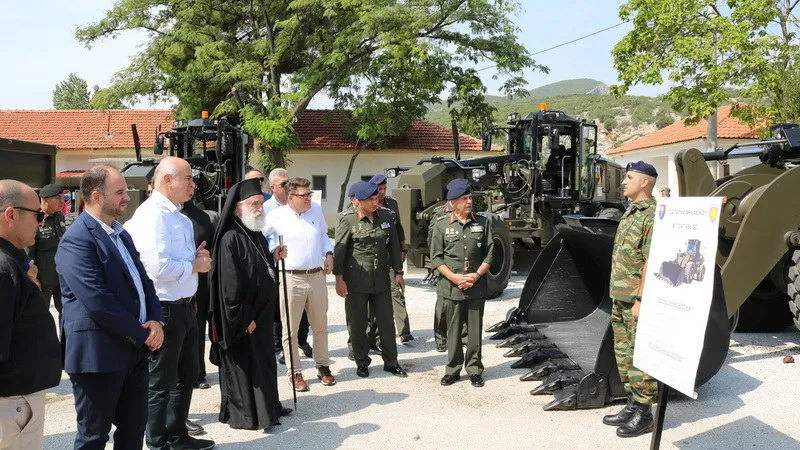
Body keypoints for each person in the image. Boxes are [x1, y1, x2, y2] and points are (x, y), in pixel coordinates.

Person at [56, 166, 164, 449]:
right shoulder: (77, 240)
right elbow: (98, 301)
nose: (127, 197)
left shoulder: (120, 233)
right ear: (96, 196)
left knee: (133, 431)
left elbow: (143, 281)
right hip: (98, 357)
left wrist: (156, 319)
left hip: (133, 353)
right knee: (93, 436)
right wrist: (143, 335)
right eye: (119, 192)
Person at [125, 157, 214, 450]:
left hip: (184, 305)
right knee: (161, 380)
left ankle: (177, 435)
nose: (193, 184)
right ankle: (157, 440)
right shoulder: (153, 215)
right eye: (186, 178)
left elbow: (181, 259)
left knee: (185, 375)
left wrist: (194, 259)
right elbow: (158, 267)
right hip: (164, 308)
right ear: (166, 180)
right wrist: (195, 266)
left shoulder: (179, 216)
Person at [208, 178, 291, 431]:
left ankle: (270, 407)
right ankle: (249, 416)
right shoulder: (230, 238)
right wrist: (245, 319)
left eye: (261, 204)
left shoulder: (253, 232)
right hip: (246, 319)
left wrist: (272, 257)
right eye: (254, 204)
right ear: (239, 207)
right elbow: (229, 287)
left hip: (262, 315)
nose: (260, 208)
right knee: (247, 369)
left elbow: (258, 266)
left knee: (264, 364)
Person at [0, 180, 61, 450]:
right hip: (12, 405)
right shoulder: (4, 270)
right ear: (11, 215)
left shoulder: (10, 264)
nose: (41, 222)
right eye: (38, 215)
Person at [602, 160, 659, 438]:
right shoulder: (630, 212)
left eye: (629, 177)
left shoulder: (651, 215)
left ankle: (645, 413)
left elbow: (651, 260)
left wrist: (640, 299)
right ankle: (631, 404)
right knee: (623, 355)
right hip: (620, 296)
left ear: (645, 182)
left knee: (639, 355)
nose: (623, 182)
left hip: (636, 299)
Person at [264, 177, 335, 391]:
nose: (308, 199)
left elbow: (323, 234)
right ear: (291, 197)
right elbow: (262, 238)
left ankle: (323, 366)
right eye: (304, 196)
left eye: (309, 194)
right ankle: (294, 371)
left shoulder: (315, 211)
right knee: (290, 329)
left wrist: (329, 252)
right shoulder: (276, 216)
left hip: (316, 275)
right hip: (290, 276)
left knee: (320, 326)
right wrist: (272, 251)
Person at [334, 181, 407, 378]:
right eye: (372, 199)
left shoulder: (386, 216)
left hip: (382, 278)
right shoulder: (348, 220)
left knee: (386, 322)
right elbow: (339, 252)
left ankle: (391, 362)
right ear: (360, 201)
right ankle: (362, 361)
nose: (377, 202)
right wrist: (339, 280)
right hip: (356, 281)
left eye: (377, 198)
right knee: (358, 324)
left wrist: (398, 273)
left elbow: (393, 248)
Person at [429, 179, 494, 388]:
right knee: (454, 331)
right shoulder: (441, 225)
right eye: (464, 199)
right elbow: (436, 258)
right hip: (451, 287)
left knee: (474, 332)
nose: (469, 202)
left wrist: (476, 275)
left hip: (476, 286)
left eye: (469, 198)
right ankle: (453, 369)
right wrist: (455, 278)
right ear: (453, 202)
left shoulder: (483, 223)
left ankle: (474, 369)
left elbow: (490, 254)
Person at [262, 168, 312, 362]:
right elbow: (263, 236)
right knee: (279, 306)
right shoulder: (266, 208)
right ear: (274, 187)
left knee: (304, 305)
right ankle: (278, 346)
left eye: (288, 182)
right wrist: (275, 250)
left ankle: (301, 340)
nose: (287, 186)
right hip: (276, 262)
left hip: (299, 264)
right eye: (283, 184)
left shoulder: (302, 207)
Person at [370, 174, 413, 343]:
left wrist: (403, 248)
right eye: (379, 189)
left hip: (391, 254)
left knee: (396, 290)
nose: (381, 192)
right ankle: (376, 334)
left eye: (384, 188)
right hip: (374, 256)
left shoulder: (392, 203)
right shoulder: (366, 203)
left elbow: (398, 228)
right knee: (376, 296)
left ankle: (404, 331)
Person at [181, 197, 216, 393]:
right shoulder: (169, 216)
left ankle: (198, 372)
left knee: (197, 326)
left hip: (201, 281)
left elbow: (213, 247)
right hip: (177, 279)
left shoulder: (201, 217)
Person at [27, 183, 69, 318]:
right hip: (43, 279)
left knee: (68, 313)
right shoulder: (35, 219)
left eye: (63, 198)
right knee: (39, 317)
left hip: (61, 276)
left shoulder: (60, 217)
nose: (62, 202)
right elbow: (29, 251)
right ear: (45, 199)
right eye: (58, 198)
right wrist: (32, 278)